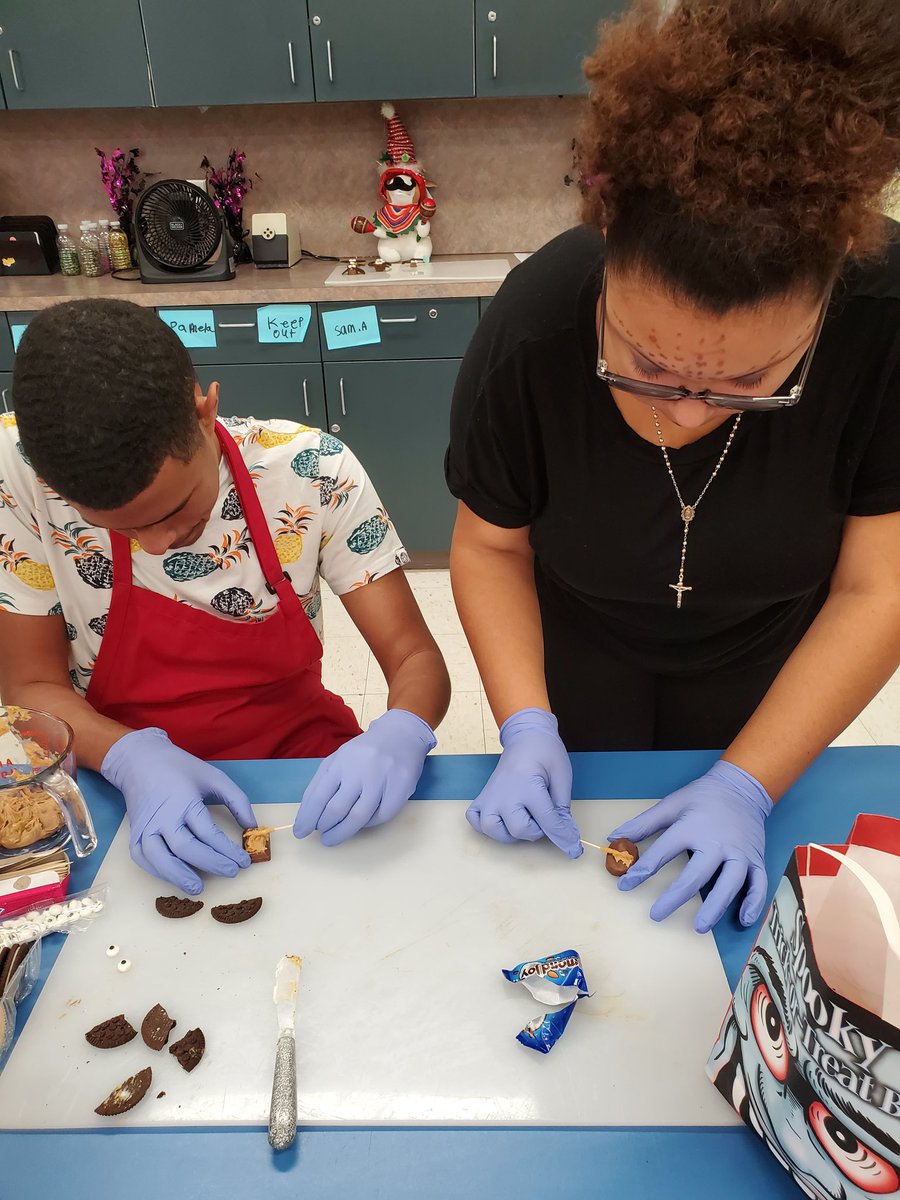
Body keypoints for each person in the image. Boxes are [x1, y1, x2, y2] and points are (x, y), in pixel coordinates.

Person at [446, 0, 900, 933]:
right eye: (645, 364)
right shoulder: (533, 328)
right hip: (580, 648)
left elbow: (878, 591)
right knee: (579, 912)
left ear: (825, 305)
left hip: (774, 663)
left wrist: (748, 781)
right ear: (610, 263)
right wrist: (525, 723)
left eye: (747, 383)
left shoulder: (885, 329)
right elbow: (491, 550)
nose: (684, 410)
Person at [0, 299, 450, 893]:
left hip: (298, 764)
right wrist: (130, 760)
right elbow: (31, 687)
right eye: (124, 529)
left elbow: (414, 657)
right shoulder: (20, 477)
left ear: (204, 411)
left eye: (174, 510)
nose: (157, 546)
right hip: (115, 777)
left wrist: (401, 732)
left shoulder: (312, 471)